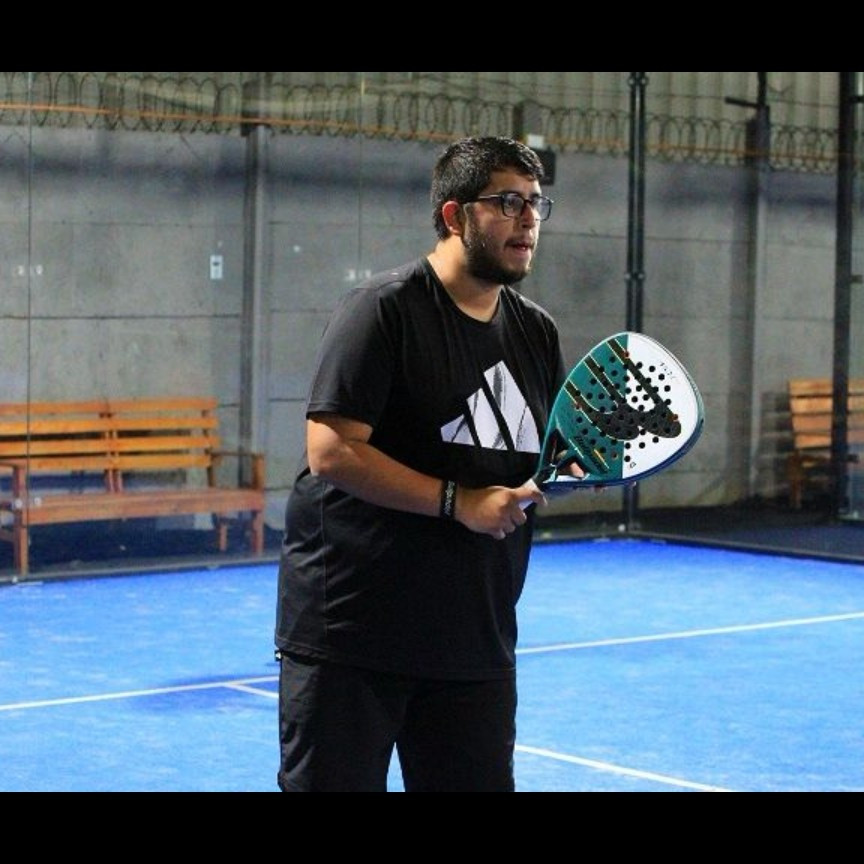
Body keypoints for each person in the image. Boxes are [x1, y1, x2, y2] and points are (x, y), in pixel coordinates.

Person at [275, 135, 581, 793]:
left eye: (536, 203)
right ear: (454, 215)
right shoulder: (381, 310)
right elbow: (331, 450)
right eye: (508, 202)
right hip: (354, 634)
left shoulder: (537, 331)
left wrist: (569, 471)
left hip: (475, 637)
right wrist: (458, 502)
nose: (529, 219)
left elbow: (540, 452)